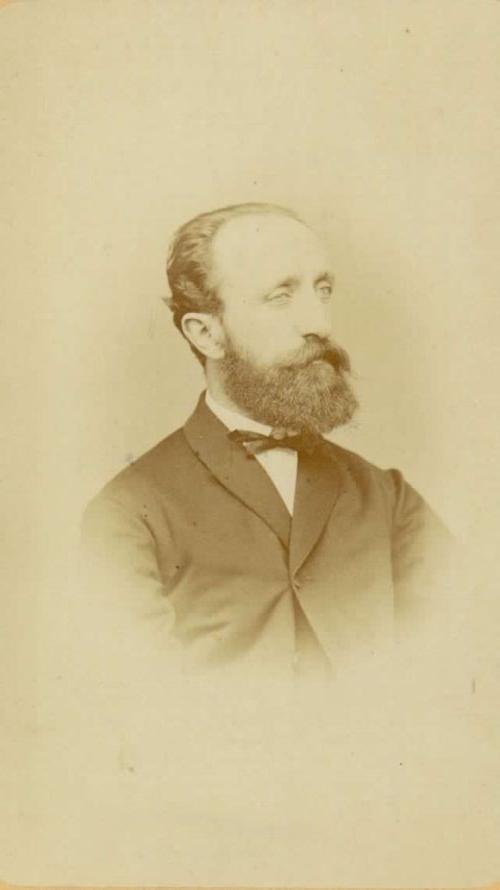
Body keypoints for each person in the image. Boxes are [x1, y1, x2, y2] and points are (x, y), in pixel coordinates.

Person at [82, 202, 450, 679]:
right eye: (280, 297)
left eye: (322, 291)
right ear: (207, 334)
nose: (320, 323)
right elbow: (140, 701)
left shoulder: (389, 499)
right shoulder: (127, 514)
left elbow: (461, 658)